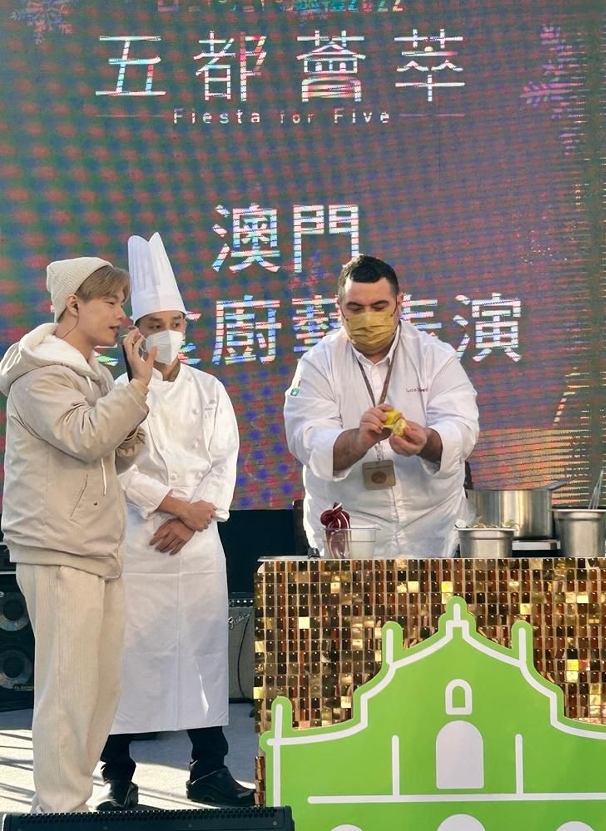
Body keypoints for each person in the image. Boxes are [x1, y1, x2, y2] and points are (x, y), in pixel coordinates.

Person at [97, 232, 254, 810]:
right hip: (138, 542)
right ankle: (118, 778)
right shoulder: (119, 391)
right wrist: (173, 505)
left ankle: (208, 770)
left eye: (176, 322)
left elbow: (223, 460)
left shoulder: (210, 390)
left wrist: (191, 518)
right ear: (134, 332)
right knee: (127, 656)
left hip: (197, 543)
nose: (167, 333)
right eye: (154, 323)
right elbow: (118, 464)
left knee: (202, 655)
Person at [0, 257, 154, 813]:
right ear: (74, 304)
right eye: (110, 302)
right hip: (57, 544)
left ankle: (70, 803)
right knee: (67, 688)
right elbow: (85, 437)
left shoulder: (94, 376)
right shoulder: (40, 373)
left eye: (121, 303)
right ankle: (58, 809)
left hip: (94, 543)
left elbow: (113, 454)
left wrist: (130, 406)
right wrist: (135, 389)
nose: (120, 315)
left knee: (98, 689)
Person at [284, 253, 480, 558]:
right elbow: (306, 439)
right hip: (350, 531)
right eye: (356, 308)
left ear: (399, 304)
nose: (368, 318)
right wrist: (357, 440)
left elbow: (462, 427)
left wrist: (427, 440)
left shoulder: (435, 356)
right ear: (339, 307)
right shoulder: (317, 364)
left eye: (379, 307)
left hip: (434, 528)